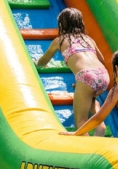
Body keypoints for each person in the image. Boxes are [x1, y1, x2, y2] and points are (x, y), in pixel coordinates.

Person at [36, 8, 109, 137]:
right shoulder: (88, 39)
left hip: (86, 77)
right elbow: (102, 60)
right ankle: (100, 126)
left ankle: (87, 150)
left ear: (61, 24)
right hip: (103, 75)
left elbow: (43, 62)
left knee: (80, 122)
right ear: (80, 23)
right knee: (89, 97)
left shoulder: (59, 40)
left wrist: (36, 62)